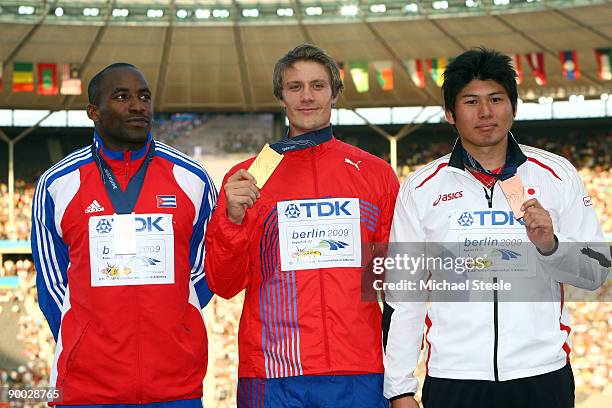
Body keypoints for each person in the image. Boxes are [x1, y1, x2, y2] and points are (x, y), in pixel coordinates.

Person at [383, 47, 610, 408]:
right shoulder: (421, 188)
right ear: (450, 114)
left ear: (513, 107)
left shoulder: (557, 174)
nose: (485, 112)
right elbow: (402, 293)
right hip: (454, 377)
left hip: (542, 374)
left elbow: (596, 271)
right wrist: (399, 389)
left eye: (496, 99)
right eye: (471, 101)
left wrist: (551, 245)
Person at [205, 44, 399, 407]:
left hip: (358, 371)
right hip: (272, 374)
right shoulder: (249, 177)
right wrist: (231, 220)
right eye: (295, 87)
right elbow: (223, 284)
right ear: (281, 96)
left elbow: (396, 286)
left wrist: (402, 377)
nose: (306, 97)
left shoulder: (376, 174)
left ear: (335, 93)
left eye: (318, 86)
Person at [31, 63, 217, 406]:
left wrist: (171, 326)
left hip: (175, 388)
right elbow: (53, 287)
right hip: (87, 391)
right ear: (93, 112)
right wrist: (92, 342)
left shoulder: (192, 178)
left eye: (144, 96)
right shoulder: (57, 185)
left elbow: (204, 273)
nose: (137, 105)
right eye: (122, 96)